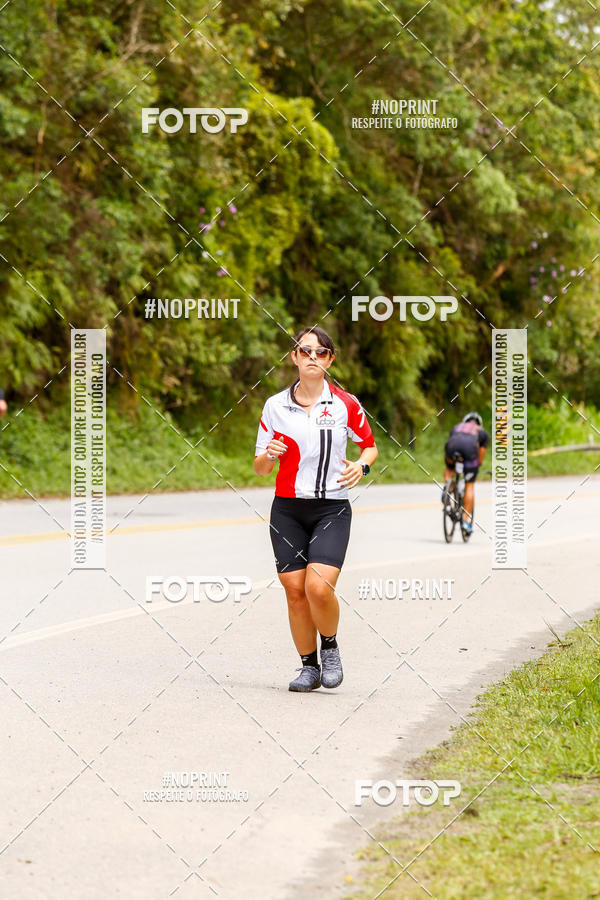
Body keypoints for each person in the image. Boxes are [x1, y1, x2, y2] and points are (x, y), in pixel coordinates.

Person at [254, 327, 378, 693]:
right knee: (294, 590)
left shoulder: (345, 404)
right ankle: (308, 667)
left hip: (332, 508)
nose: (312, 357)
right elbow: (260, 468)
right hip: (287, 510)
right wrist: (268, 456)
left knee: (318, 587)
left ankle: (331, 647)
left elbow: (369, 446)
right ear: (293, 356)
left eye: (320, 352)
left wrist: (362, 465)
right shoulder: (275, 406)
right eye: (305, 351)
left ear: (330, 360)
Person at [443, 412, 489, 534]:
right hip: (469, 449)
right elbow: (481, 455)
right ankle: (465, 521)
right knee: (470, 485)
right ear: (479, 423)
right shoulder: (482, 432)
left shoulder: (457, 427)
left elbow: (452, 441)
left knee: (449, 469)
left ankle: (448, 487)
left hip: (452, 447)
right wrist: (476, 467)